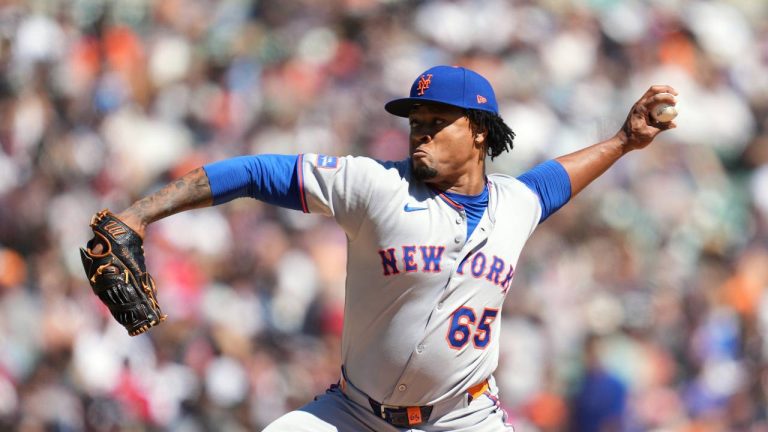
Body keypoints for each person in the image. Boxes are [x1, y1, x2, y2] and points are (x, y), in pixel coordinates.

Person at [87, 65, 677, 431]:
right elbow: (254, 172)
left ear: (478, 131)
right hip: (352, 415)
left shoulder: (516, 204)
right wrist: (139, 213)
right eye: (414, 118)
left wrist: (625, 140)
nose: (419, 128)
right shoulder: (375, 186)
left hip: (463, 420)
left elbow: (558, 177)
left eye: (436, 119)